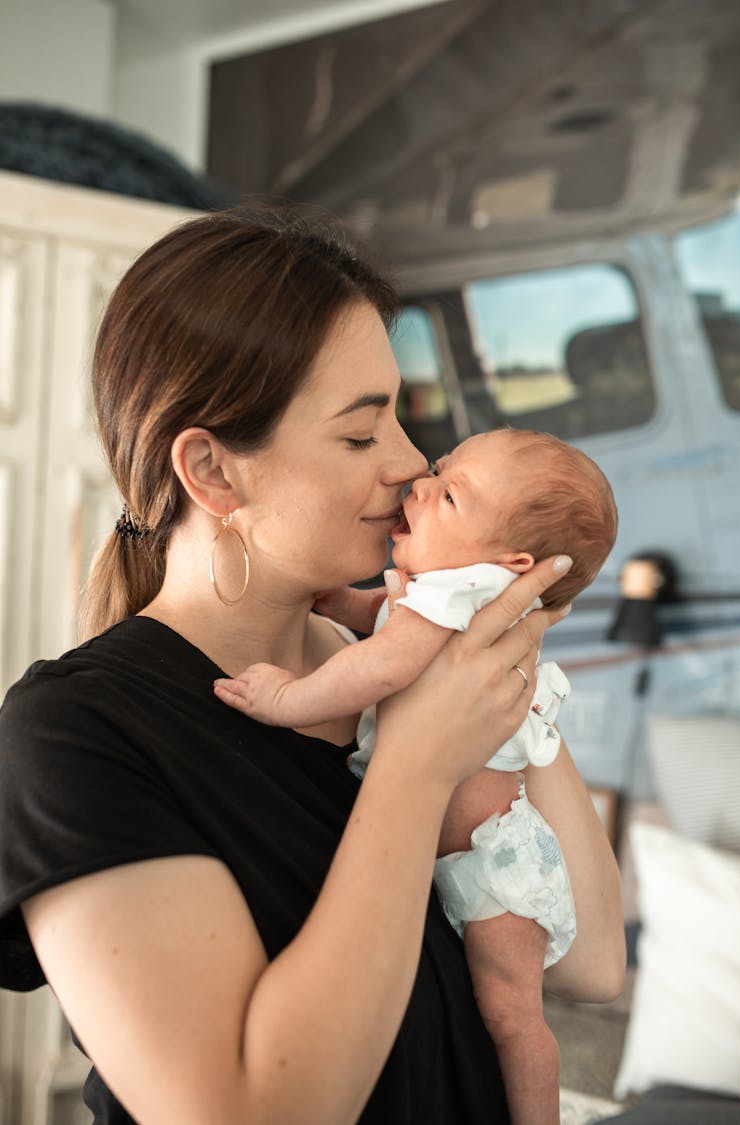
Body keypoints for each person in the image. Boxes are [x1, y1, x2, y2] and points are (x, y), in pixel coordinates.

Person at [0, 204, 625, 1125]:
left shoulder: (401, 661)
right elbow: (252, 1111)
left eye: (403, 420)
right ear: (213, 473)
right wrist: (415, 764)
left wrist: (505, 688)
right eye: (361, 434)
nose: (412, 465)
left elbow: (593, 959)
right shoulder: (77, 734)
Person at [213, 426, 618, 1125]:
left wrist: (286, 699)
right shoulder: (460, 593)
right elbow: (396, 620)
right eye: (360, 431)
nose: (416, 478)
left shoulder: (482, 595)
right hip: (488, 853)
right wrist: (350, 606)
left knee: (513, 1015)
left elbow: (389, 660)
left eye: (450, 494)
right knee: (509, 1012)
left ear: (514, 561)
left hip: (497, 863)